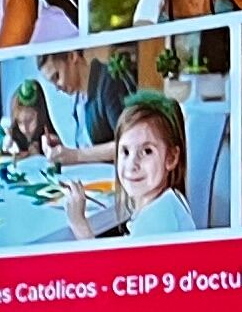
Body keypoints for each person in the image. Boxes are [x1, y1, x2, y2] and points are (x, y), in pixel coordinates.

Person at [63, 90, 201, 238]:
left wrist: (79, 225)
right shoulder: (169, 200)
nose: (132, 165)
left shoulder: (156, 220)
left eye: (147, 151)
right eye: (125, 151)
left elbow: (113, 263)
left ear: (171, 158)